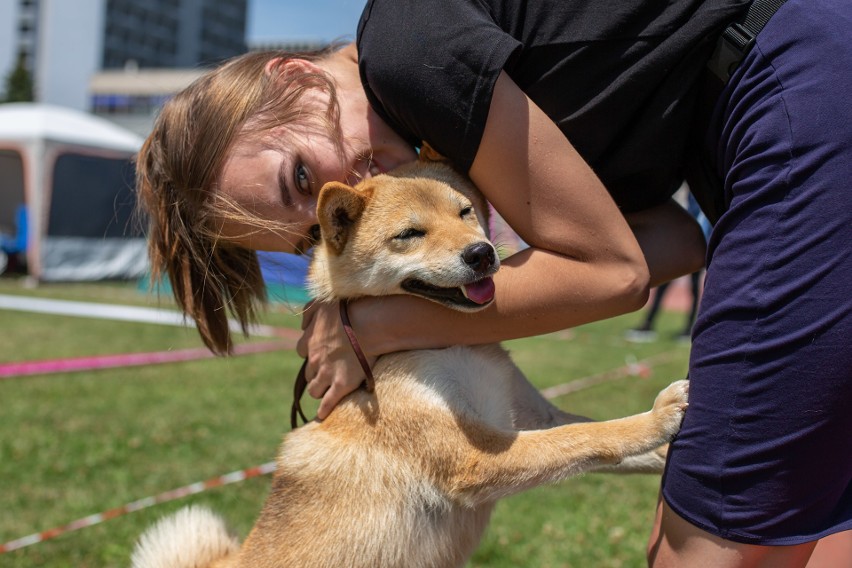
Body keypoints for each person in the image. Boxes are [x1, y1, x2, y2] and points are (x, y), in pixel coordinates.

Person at [135, 0, 852, 566]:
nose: (347, 197)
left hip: (797, 88)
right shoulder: (437, 149)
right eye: (310, 232)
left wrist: (375, 325)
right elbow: (674, 239)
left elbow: (617, 272)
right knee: (812, 520)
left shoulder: (406, 49)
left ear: (293, 77)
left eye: (300, 175)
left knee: (702, 547)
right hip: (767, 116)